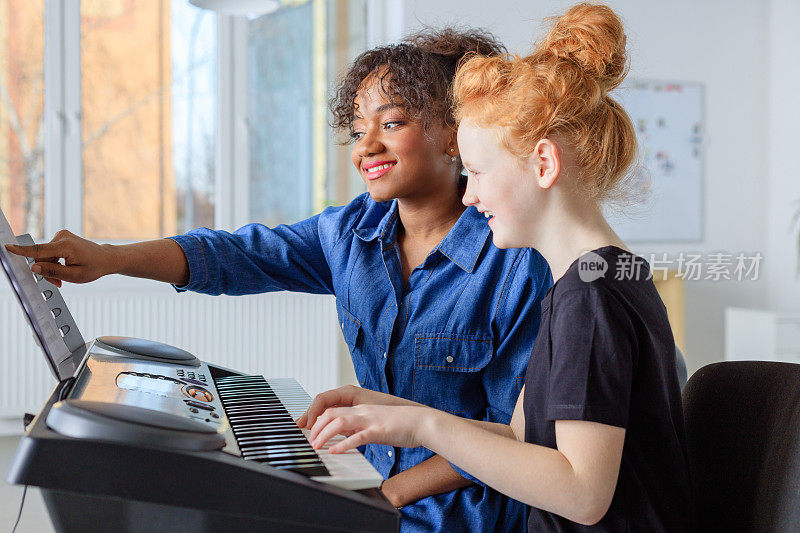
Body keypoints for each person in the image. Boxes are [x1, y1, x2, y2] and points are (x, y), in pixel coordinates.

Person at [6, 29, 551, 532]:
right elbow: (234, 255)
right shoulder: (349, 233)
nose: (366, 147)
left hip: (468, 518)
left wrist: (385, 496)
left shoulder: (517, 263)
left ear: (454, 134)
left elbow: (515, 437)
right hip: (378, 496)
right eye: (359, 129)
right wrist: (108, 258)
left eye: (391, 123)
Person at [301, 3, 695, 531]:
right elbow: (515, 435)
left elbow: (582, 493)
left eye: (480, 172)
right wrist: (392, 413)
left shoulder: (590, 300)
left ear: (543, 164)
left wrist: (423, 426)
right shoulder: (587, 281)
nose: (469, 197)